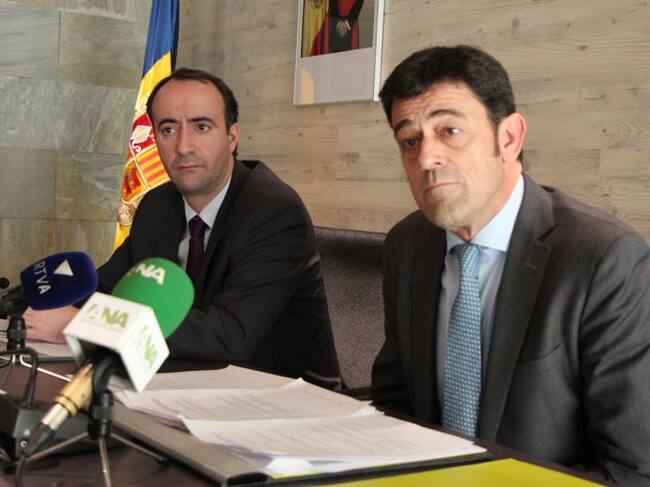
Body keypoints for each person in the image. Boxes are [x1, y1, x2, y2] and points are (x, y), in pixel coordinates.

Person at [371, 45, 650, 484]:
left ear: (509, 138)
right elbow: (394, 405)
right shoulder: (406, 245)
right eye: (410, 141)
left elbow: (633, 470)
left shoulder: (604, 260)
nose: (426, 159)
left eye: (450, 131)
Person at [25, 68, 341, 384]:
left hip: (283, 394)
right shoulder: (158, 204)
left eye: (201, 127)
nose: (183, 146)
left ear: (232, 137)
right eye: (168, 129)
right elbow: (109, 288)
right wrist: (34, 308)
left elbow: (231, 334)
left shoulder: (273, 210)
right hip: (181, 381)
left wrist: (85, 326)